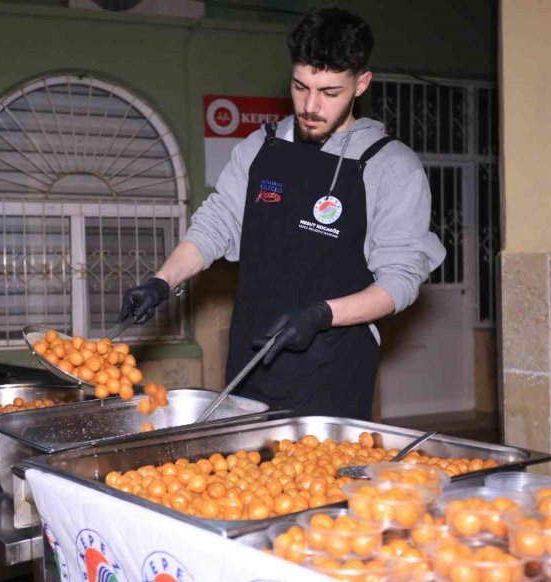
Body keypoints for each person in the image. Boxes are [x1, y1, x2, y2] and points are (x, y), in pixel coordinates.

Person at [119, 7, 445, 419]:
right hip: (250, 363)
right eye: (300, 87)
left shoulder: (390, 166)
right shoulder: (260, 147)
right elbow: (215, 225)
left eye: (329, 92)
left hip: (333, 374)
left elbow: (399, 282)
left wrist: (322, 314)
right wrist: (162, 282)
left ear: (361, 84)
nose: (310, 106)